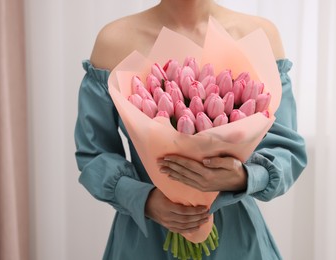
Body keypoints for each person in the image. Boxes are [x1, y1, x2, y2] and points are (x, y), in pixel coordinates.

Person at [75, 1, 307, 259]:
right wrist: (147, 201)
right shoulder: (115, 41)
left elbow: (286, 149)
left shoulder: (258, 35)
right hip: (145, 238)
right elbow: (94, 153)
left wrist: (243, 177)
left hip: (237, 241)